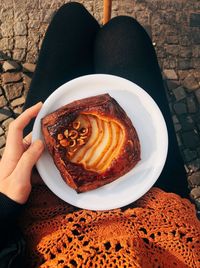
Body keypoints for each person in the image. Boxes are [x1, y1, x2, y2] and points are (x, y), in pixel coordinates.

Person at [0, 2, 192, 267]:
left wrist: (5, 204)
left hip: (38, 217)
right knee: (123, 32)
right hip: (159, 215)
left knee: (72, 17)